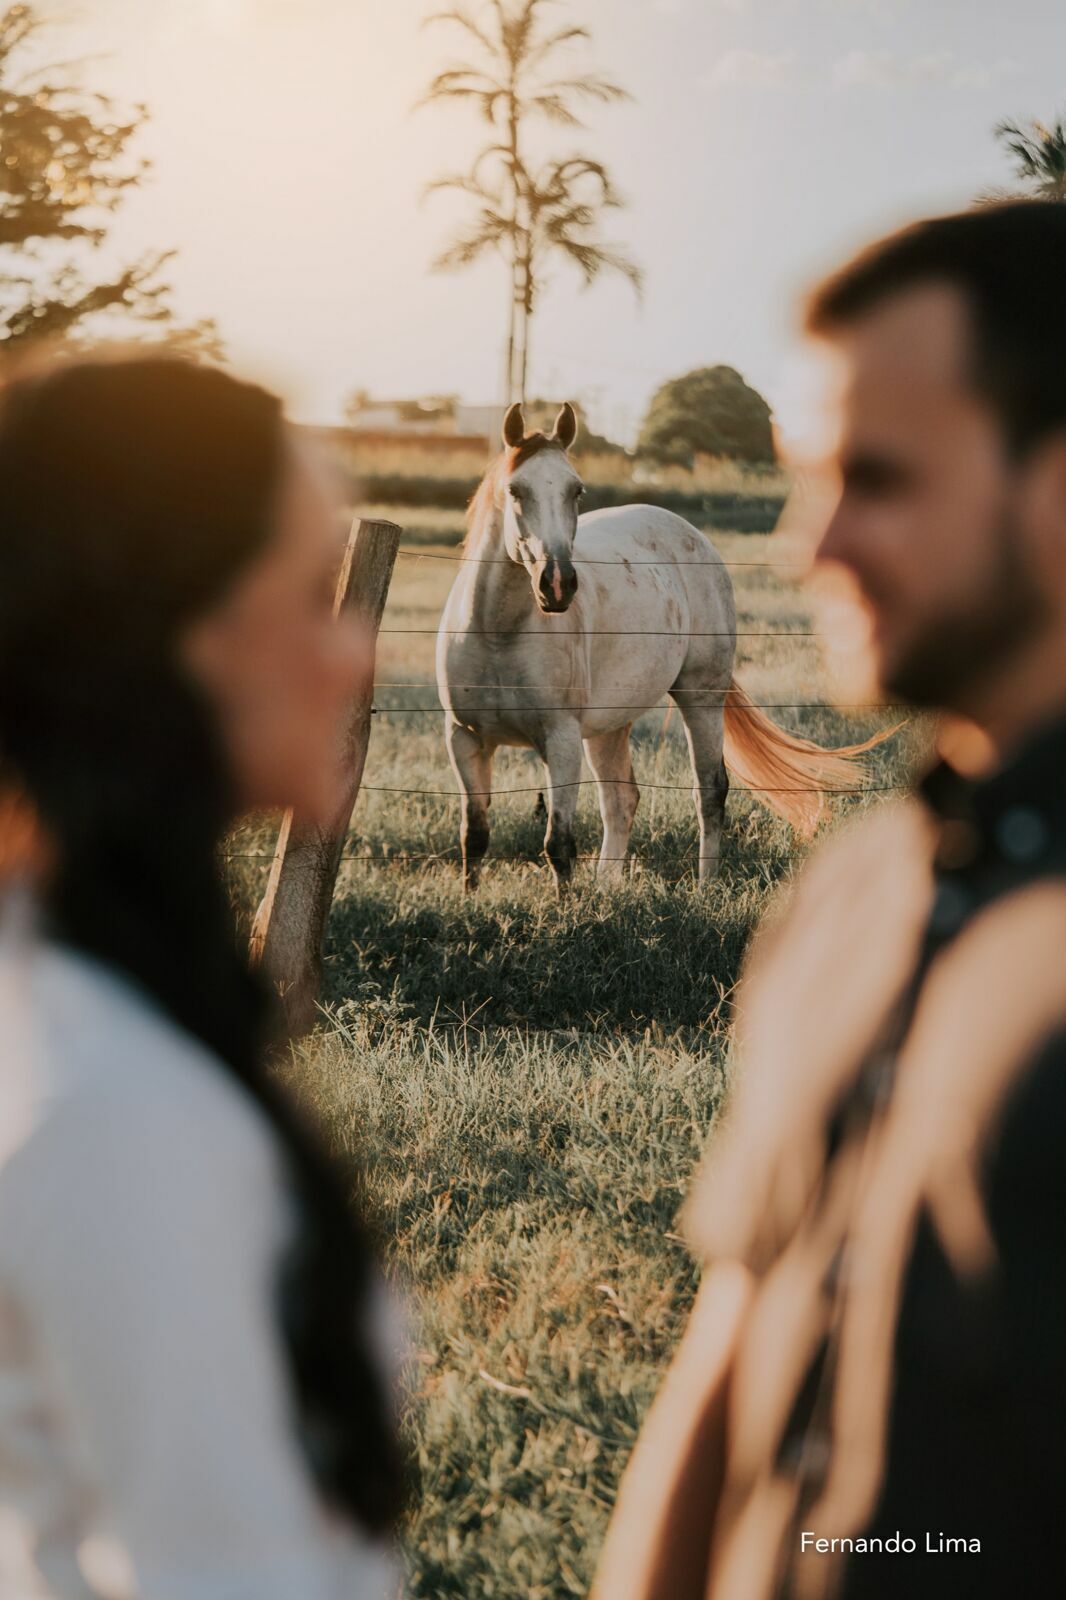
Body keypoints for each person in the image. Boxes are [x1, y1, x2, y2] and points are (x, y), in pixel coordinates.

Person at [592, 200, 1066, 1600]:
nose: (811, 547)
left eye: (877, 481)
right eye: (810, 481)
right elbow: (729, 1348)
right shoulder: (850, 890)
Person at [0, 354, 408, 1598]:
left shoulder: (70, 992)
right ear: (177, 633)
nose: (356, 654)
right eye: (311, 596)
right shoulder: (119, 1107)